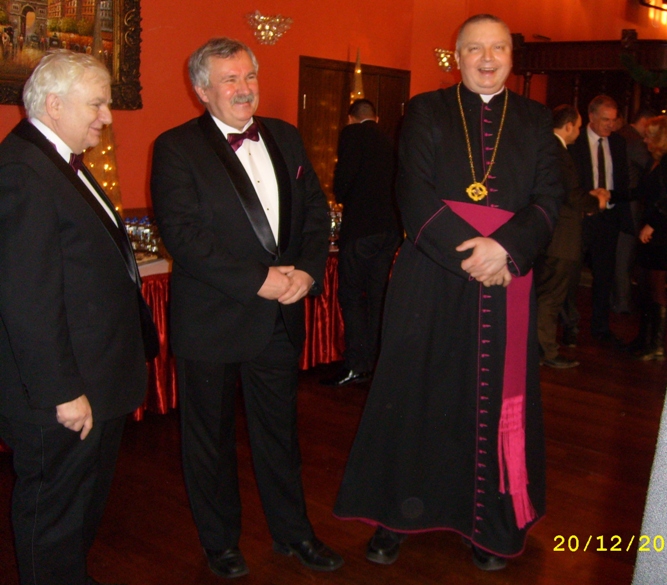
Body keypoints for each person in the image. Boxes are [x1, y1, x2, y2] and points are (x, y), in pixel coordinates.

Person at [334, 14, 561, 571]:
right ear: (456, 57)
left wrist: (504, 251)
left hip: (506, 279)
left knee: (491, 400)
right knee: (413, 391)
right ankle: (395, 515)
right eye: (475, 49)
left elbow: (549, 201)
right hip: (432, 277)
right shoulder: (426, 110)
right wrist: (476, 256)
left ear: (512, 57)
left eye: (498, 48)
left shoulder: (535, 120)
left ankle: (488, 522)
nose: (487, 59)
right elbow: (413, 195)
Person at [150, 38, 343, 579]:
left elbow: (315, 211)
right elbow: (183, 237)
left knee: (280, 434)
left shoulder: (285, 134)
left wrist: (308, 271)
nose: (243, 89)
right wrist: (261, 280)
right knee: (209, 441)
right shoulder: (175, 147)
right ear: (202, 89)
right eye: (229, 79)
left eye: (249, 76)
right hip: (212, 319)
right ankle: (220, 542)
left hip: (279, 317)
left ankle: (294, 532)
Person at [0, 50, 155, 585]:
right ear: (54, 104)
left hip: (94, 378)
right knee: (53, 517)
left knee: (79, 509)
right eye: (97, 104)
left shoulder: (59, 162)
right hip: (62, 391)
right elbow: (26, 297)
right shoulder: (22, 171)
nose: (106, 117)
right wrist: (63, 392)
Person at [320, 98, 402, 386]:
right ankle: (378, 362)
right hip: (391, 229)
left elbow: (342, 184)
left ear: (350, 118)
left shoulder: (352, 134)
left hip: (361, 229)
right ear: (375, 118)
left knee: (352, 296)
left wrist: (342, 193)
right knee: (378, 296)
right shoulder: (390, 139)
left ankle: (357, 364)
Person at [535, 105, 608, 368]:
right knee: (551, 298)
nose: (579, 131)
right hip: (561, 238)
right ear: (567, 126)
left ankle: (539, 350)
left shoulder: (546, 148)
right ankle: (546, 352)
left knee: (545, 295)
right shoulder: (558, 152)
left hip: (550, 235)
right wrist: (597, 202)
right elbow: (571, 195)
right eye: (577, 126)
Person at [568, 95, 630, 345]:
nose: (610, 125)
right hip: (582, 217)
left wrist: (611, 199)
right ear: (591, 116)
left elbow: (622, 180)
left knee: (605, 275)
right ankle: (570, 327)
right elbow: (571, 181)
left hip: (609, 217)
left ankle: (601, 327)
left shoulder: (618, 142)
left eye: (613, 120)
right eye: (605, 120)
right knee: (572, 275)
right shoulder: (576, 142)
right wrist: (587, 202)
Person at [628, 116, 667, 360]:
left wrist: (652, 224)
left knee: (657, 287)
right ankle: (644, 339)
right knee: (644, 285)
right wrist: (610, 194)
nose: (644, 140)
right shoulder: (655, 161)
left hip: (661, 233)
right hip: (651, 229)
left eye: (649, 136)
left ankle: (657, 344)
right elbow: (641, 192)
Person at [614, 110, 656, 314]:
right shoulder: (635, 142)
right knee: (624, 259)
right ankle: (623, 303)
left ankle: (619, 302)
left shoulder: (621, 135)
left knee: (619, 258)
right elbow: (651, 170)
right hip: (629, 207)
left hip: (619, 203)